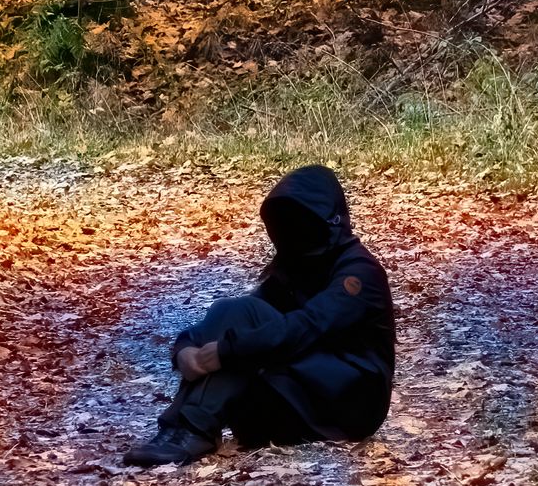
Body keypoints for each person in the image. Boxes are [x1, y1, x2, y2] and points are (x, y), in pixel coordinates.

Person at [125, 165, 395, 465]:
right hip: (297, 401)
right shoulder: (293, 271)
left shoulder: (359, 272)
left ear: (327, 220)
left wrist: (228, 352)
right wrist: (185, 349)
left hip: (349, 405)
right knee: (230, 309)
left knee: (245, 319)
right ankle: (185, 429)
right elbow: (235, 320)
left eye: (301, 221)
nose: (294, 231)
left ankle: (192, 429)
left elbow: (309, 325)